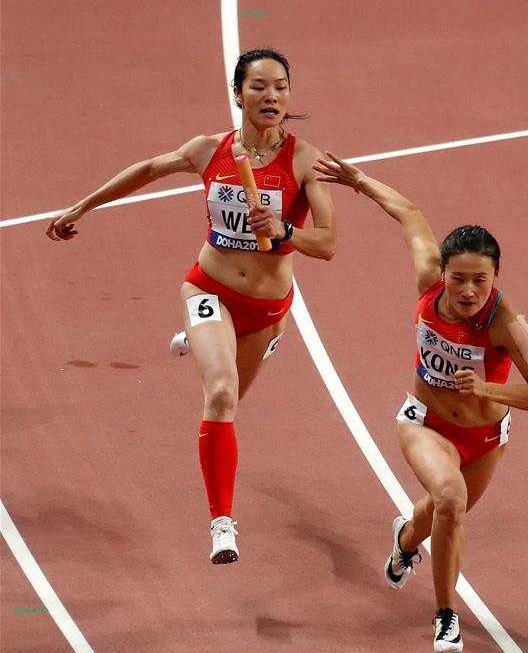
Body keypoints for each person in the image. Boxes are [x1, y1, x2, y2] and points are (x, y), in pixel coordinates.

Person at [46, 48, 336, 564]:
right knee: (220, 396)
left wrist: (287, 230)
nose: (272, 96)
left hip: (267, 310)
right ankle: (222, 523)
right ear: (237, 93)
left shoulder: (305, 160)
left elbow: (329, 242)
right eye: (259, 87)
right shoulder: (211, 150)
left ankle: (221, 342)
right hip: (210, 289)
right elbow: (150, 169)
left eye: (281, 87)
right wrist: (83, 205)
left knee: (230, 398)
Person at [313, 153, 528, 653]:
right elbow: (409, 214)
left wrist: (489, 389)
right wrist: (359, 182)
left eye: (480, 281)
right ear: (442, 271)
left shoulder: (507, 324)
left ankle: (405, 541)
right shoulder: (428, 281)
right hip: (425, 422)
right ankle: (447, 614)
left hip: (487, 438)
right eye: (458, 278)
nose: (468, 290)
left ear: (496, 278)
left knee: (443, 512)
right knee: (450, 500)